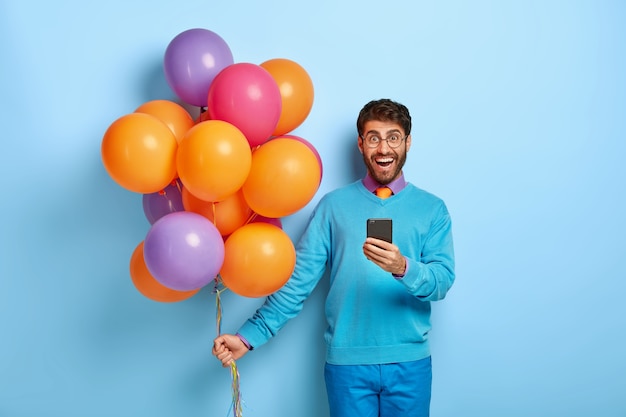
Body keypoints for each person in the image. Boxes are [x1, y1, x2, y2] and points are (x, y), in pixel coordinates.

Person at [213, 98, 455, 417]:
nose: (384, 148)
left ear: (407, 142)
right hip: (347, 368)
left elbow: (441, 282)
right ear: (361, 143)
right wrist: (248, 337)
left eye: (393, 137)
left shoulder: (432, 209)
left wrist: (403, 268)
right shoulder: (333, 207)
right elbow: (296, 283)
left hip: (410, 364)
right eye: (374, 138)